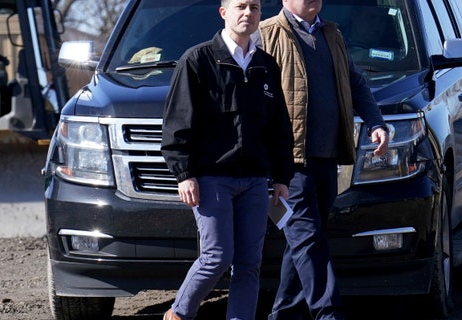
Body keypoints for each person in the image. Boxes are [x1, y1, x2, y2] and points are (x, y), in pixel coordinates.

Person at [160, 0, 294, 319]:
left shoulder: (266, 66)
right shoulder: (197, 60)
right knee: (217, 257)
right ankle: (178, 314)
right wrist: (184, 174)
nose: (248, 13)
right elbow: (178, 122)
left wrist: (281, 178)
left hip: (255, 182)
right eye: (241, 6)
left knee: (249, 263)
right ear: (224, 13)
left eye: (255, 7)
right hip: (211, 178)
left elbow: (279, 129)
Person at [257, 1, 389, 319]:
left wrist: (376, 123)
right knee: (306, 237)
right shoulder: (267, 34)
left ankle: (283, 314)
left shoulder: (332, 33)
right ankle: (328, 312)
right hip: (288, 163)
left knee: (303, 242)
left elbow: (355, 83)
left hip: (327, 157)